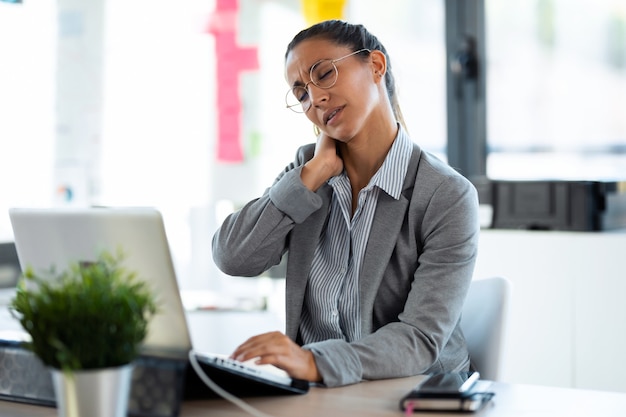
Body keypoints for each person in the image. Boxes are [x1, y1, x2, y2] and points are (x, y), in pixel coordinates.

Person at [212, 19, 480, 388]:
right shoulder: (306, 174)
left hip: (413, 393)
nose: (316, 99)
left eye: (324, 74)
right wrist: (312, 175)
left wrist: (314, 361)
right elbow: (233, 256)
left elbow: (420, 339)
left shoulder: (446, 195)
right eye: (302, 94)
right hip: (322, 394)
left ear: (375, 66)